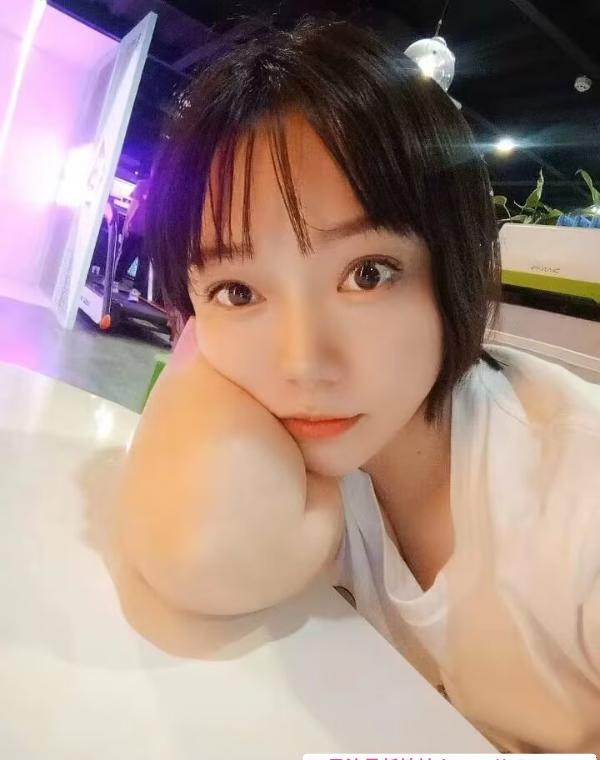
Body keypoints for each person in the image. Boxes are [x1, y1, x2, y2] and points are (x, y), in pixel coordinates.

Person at [115, 18, 600, 753]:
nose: (303, 363)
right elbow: (194, 557)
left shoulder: (579, 500)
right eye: (240, 291)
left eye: (367, 274)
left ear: (458, 264)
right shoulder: (290, 458)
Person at [114, 172, 151, 298]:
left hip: (137, 228)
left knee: (126, 256)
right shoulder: (163, 190)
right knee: (143, 262)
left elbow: (134, 204)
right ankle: (135, 291)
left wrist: (126, 223)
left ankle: (116, 282)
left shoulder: (143, 184)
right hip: (145, 231)